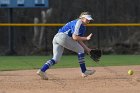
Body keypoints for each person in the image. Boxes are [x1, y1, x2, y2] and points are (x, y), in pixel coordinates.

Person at [37, 11, 95, 80]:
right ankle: (84, 71)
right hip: (63, 37)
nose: (88, 21)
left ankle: (42, 70)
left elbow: (78, 40)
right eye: (87, 19)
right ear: (81, 18)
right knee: (80, 50)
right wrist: (86, 38)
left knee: (56, 59)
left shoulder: (83, 27)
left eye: (89, 20)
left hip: (57, 37)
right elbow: (74, 37)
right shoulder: (79, 22)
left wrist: (87, 49)